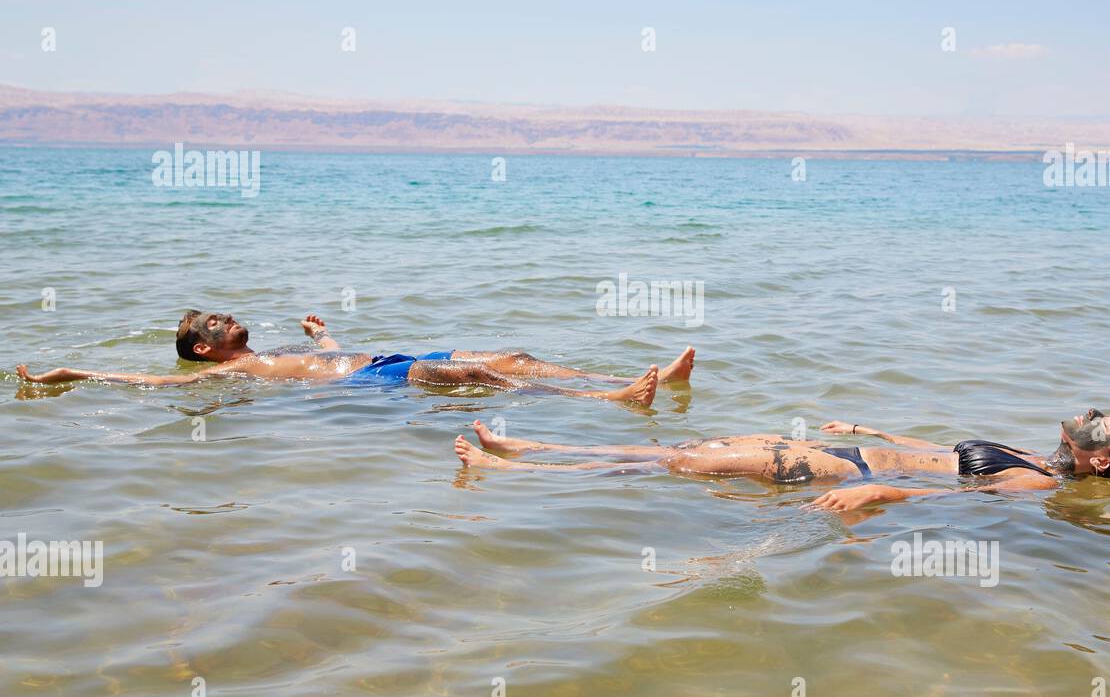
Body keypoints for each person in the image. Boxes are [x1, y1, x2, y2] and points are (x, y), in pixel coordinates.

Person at [452, 408, 1110, 511]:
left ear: (1100, 463)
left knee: (690, 466)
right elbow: (937, 455)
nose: (1091, 415)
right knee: (689, 450)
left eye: (1105, 425)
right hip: (849, 450)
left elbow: (950, 494)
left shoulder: (1037, 480)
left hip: (845, 475)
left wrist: (874, 497)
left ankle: (515, 472)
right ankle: (534, 445)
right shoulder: (1032, 452)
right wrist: (865, 425)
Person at [16, 310, 695, 406]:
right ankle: (611, 399)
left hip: (379, 354)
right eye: (217, 323)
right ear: (205, 348)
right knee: (474, 375)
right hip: (374, 380)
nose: (233, 321)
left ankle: (638, 376)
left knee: (512, 354)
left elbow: (319, 358)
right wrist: (76, 372)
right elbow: (152, 379)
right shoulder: (229, 369)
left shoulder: (263, 351)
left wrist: (322, 338)